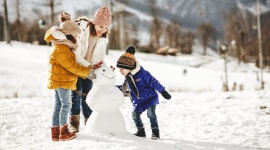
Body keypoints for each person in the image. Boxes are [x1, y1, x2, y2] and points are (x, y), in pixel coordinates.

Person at [44, 12, 101, 141]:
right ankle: (63, 132)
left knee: (59, 105)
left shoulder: (64, 47)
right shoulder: (61, 48)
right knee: (66, 105)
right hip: (61, 80)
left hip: (60, 79)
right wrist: (87, 71)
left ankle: (56, 133)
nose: (77, 36)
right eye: (75, 34)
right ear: (69, 34)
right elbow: (72, 66)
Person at [68, 6, 112, 133]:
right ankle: (74, 124)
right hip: (76, 67)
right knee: (76, 94)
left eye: (105, 28)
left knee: (87, 96)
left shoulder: (103, 38)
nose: (102, 30)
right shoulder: (82, 31)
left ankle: (90, 122)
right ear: (94, 22)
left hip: (88, 70)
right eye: (100, 26)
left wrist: (103, 68)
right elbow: (76, 55)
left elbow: (99, 57)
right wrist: (89, 65)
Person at [116, 46, 172, 140]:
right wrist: (111, 88)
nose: (120, 71)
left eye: (122, 69)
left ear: (129, 67)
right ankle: (141, 131)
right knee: (135, 115)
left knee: (151, 114)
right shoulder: (128, 78)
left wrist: (163, 91)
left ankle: (155, 132)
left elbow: (154, 82)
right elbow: (124, 89)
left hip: (150, 99)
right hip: (139, 101)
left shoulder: (143, 74)